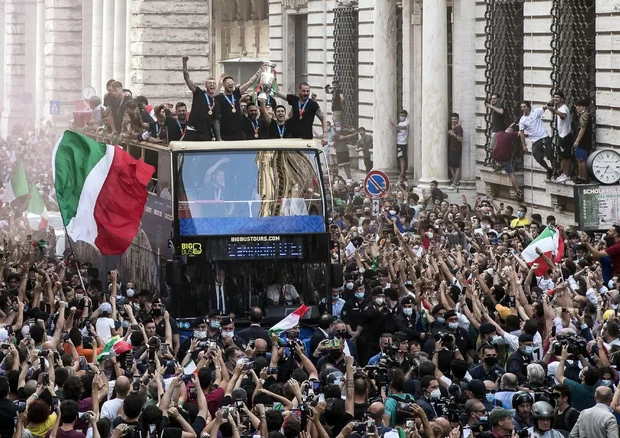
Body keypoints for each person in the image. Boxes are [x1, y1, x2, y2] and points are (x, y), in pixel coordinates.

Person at [215, 70, 261, 140]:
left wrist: (258, 72)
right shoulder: (220, 97)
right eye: (228, 83)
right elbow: (213, 98)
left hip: (239, 131)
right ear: (224, 85)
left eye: (231, 82)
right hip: (226, 132)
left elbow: (250, 82)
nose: (230, 84)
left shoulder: (236, 93)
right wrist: (219, 85)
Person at [519, 100, 554, 180]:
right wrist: (523, 145)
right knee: (537, 156)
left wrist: (551, 101)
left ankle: (555, 170)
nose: (523, 108)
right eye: (521, 107)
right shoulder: (522, 120)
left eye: (524, 107)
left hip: (543, 137)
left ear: (528, 107)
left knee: (550, 154)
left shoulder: (535, 112)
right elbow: (521, 133)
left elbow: (545, 106)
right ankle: (548, 169)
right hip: (535, 141)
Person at [492, 123, 523, 199]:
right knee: (511, 174)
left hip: (496, 156)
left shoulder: (499, 134)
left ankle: (499, 165)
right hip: (505, 158)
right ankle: (518, 191)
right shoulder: (510, 135)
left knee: (502, 163)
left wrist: (511, 125)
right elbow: (520, 133)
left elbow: (508, 129)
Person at [547, 92, 572, 182]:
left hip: (566, 135)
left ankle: (566, 174)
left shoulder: (564, 108)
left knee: (567, 156)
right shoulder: (558, 106)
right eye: (554, 97)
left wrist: (553, 110)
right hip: (561, 134)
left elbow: (563, 115)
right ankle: (563, 173)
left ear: (562, 99)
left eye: (558, 97)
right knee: (562, 156)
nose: (555, 99)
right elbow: (548, 104)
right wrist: (553, 101)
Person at [573, 98, 593, 184]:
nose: (577, 108)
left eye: (579, 106)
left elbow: (582, 129)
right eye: (577, 106)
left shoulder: (584, 116)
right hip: (585, 140)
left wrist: (577, 140)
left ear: (584, 107)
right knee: (580, 159)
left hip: (583, 141)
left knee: (581, 160)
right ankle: (581, 176)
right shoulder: (585, 115)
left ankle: (583, 178)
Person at [448, 112, 464, 189]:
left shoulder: (459, 128)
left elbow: (461, 140)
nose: (453, 120)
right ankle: (455, 178)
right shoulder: (453, 128)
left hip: (456, 150)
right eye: (452, 119)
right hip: (451, 149)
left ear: (458, 119)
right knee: (450, 165)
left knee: (456, 166)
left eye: (455, 119)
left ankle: (454, 183)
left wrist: (453, 134)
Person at [395, 110, 410, 189]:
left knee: (402, 158)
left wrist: (395, 125)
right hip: (398, 142)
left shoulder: (406, 122)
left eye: (402, 115)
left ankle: (402, 172)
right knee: (399, 158)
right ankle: (401, 172)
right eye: (400, 115)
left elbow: (404, 128)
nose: (401, 117)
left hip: (402, 143)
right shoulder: (399, 123)